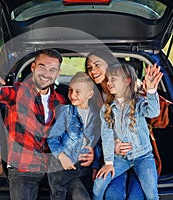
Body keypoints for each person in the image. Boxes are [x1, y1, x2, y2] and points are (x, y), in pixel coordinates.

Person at [0, 49, 94, 200]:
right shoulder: (17, 92)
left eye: (52, 69)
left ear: (58, 73)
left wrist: (90, 149)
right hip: (24, 168)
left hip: (56, 166)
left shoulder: (62, 99)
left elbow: (82, 123)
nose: (46, 74)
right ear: (33, 67)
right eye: (42, 67)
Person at [92, 63, 163, 200]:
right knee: (98, 185)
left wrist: (152, 91)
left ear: (127, 81)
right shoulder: (107, 109)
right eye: (108, 79)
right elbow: (106, 135)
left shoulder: (139, 102)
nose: (108, 82)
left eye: (114, 78)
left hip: (143, 157)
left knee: (151, 193)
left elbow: (153, 112)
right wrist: (108, 163)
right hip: (120, 159)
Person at [85, 48, 146, 199]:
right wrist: (110, 149)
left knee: (135, 197)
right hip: (111, 159)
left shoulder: (135, 90)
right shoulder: (92, 97)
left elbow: (153, 123)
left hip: (140, 156)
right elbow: (94, 133)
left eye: (97, 64)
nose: (93, 71)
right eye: (89, 68)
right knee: (114, 195)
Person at [47, 72, 101, 200]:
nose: (72, 95)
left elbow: (95, 144)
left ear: (90, 94)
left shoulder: (95, 116)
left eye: (78, 91)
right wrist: (62, 157)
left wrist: (95, 166)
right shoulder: (66, 112)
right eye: (70, 90)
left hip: (82, 169)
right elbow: (53, 138)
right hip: (61, 168)